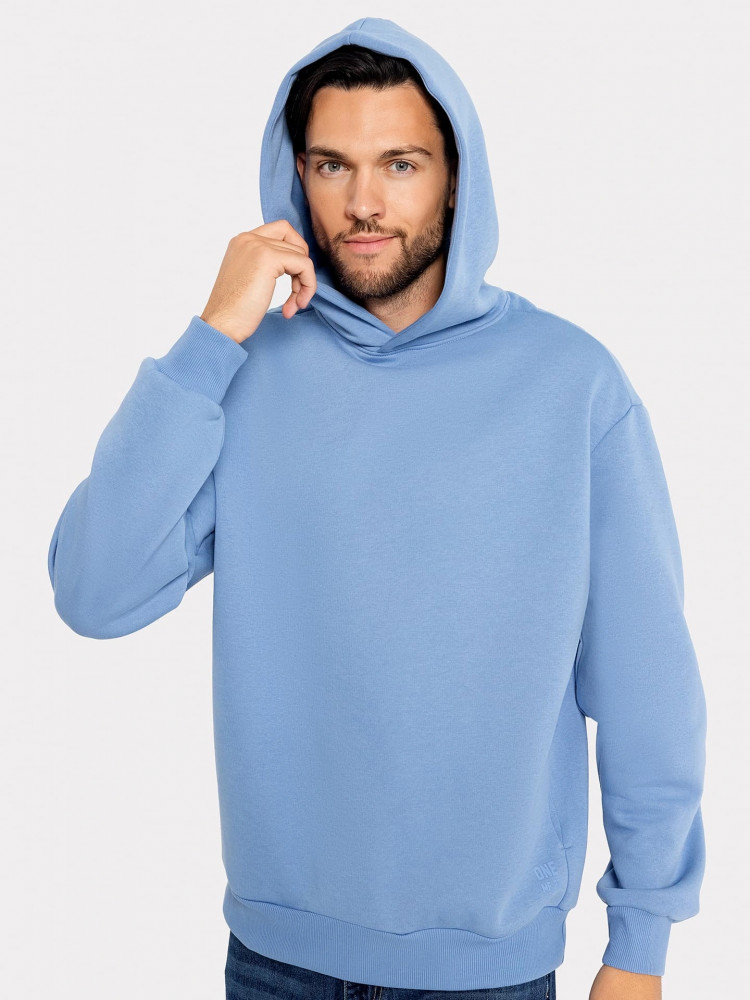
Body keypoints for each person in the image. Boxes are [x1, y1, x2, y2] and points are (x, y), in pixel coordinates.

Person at [47, 17, 707, 1000]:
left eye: (401, 164)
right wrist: (212, 333)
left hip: (487, 975)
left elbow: (647, 685)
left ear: (456, 176)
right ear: (295, 176)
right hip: (273, 961)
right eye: (332, 165)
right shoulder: (240, 372)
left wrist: (641, 941)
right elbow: (93, 592)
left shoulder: (572, 385)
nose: (364, 203)